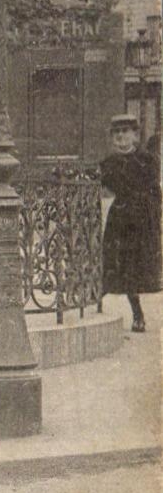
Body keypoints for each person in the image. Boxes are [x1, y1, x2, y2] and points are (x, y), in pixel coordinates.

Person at [100, 113, 162, 332]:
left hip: (141, 221)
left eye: (125, 132)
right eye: (116, 133)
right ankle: (95, 300)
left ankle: (138, 315)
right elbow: (107, 187)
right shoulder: (109, 163)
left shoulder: (147, 160)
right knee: (114, 263)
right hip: (119, 220)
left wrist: (153, 220)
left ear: (135, 135)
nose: (120, 137)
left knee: (134, 268)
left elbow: (155, 192)